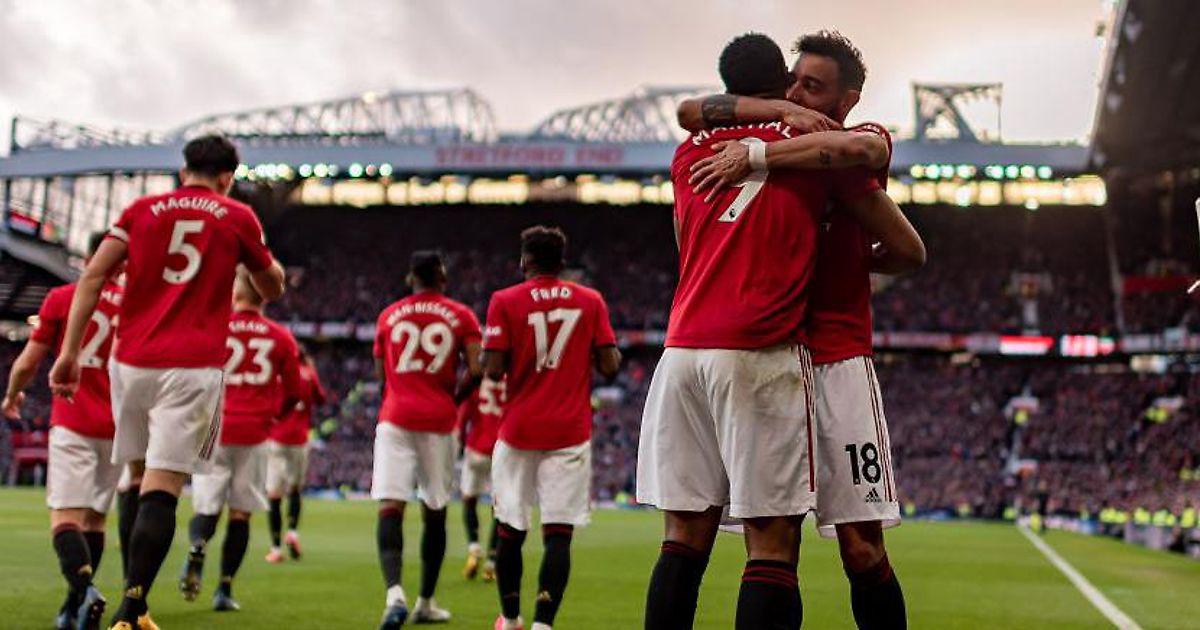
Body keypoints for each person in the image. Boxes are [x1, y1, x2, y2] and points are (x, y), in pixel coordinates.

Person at [678, 30, 925, 630]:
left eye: (812, 87)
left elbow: (907, 246)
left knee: (862, 549)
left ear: (848, 98)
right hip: (769, 357)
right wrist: (779, 118)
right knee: (769, 541)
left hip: (837, 360)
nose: (796, 94)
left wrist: (757, 158)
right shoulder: (780, 135)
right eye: (794, 81)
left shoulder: (850, 149)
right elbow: (689, 110)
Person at [48, 134, 286, 630]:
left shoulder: (141, 211)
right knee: (163, 486)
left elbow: (92, 276)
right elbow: (271, 285)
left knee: (136, 477)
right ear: (227, 178)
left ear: (183, 171)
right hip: (192, 366)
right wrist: (261, 267)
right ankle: (132, 607)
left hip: (131, 363)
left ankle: (128, 602)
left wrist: (69, 354)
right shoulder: (236, 216)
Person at [483, 226, 621, 630]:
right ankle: (543, 624)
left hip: (519, 431)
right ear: (561, 262)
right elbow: (610, 366)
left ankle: (511, 619)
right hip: (569, 433)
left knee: (510, 529)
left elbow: (492, 369)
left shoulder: (504, 300)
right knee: (558, 534)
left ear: (525, 260)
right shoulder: (590, 300)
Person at [3, 233, 125, 630]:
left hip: (74, 421)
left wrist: (12, 395)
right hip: (117, 427)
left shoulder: (62, 298)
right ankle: (74, 606)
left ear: (88, 259)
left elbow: (28, 362)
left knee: (65, 519)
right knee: (96, 521)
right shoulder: (135, 305)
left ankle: (85, 591)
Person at [179, 267, 303, 612]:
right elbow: (295, 392)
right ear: (264, 295)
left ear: (235, 293)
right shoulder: (280, 337)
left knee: (207, 507)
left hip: (213, 429)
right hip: (255, 432)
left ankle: (198, 545)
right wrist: (273, 415)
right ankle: (224, 588)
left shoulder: (215, 327)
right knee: (241, 513)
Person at [373, 250, 483, 628]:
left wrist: (399, 395)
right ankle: (425, 601)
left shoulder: (388, 315)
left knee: (390, 506)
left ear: (411, 278)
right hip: (438, 420)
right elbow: (477, 368)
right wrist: (452, 399)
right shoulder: (461, 315)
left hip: (395, 417)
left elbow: (381, 374)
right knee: (434, 508)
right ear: (441, 277)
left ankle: (394, 595)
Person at [265, 345, 327, 563]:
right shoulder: (309, 374)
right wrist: (312, 372)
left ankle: (276, 549)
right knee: (294, 489)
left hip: (276, 438)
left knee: (274, 494)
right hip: (300, 440)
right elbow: (321, 399)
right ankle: (292, 533)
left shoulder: (278, 374)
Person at [458, 376, 505, 582]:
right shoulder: (510, 378)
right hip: (501, 450)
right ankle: (491, 562)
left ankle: (474, 547)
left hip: (476, 447)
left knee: (469, 499)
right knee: (499, 508)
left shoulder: (475, 379)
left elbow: (463, 415)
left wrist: (460, 442)